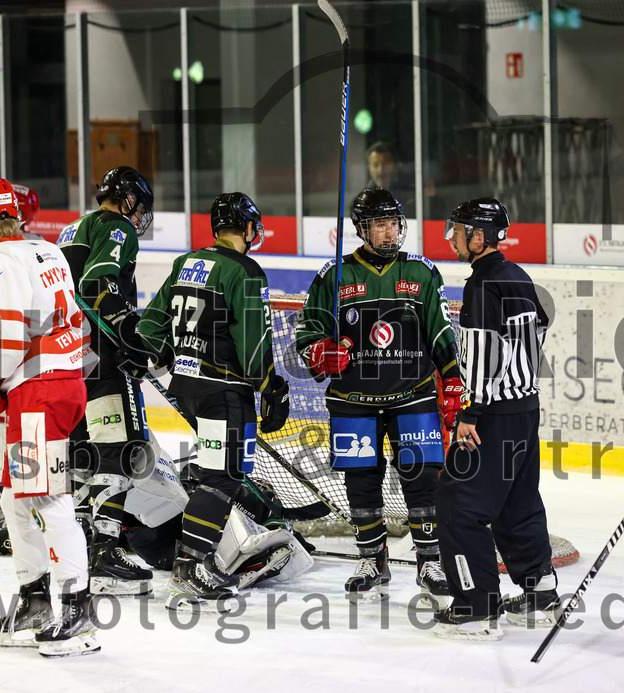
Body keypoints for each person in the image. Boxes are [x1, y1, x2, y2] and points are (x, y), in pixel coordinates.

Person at [294, 187, 458, 606]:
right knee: (361, 482)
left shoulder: (421, 272)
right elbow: (306, 332)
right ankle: (372, 558)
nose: (390, 232)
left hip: (414, 394)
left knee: (421, 479)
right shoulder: (334, 275)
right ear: (362, 229)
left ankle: (430, 560)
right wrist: (319, 352)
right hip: (353, 398)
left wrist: (452, 378)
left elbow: (441, 331)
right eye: (380, 224)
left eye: (394, 223)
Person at [0, 179, 99, 657]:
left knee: (44, 497)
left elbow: (9, 336)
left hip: (37, 391)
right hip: (60, 385)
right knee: (18, 497)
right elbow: (75, 323)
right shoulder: (49, 250)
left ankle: (79, 611)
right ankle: (36, 599)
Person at [138, 192, 291, 610]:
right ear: (245, 228)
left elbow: (155, 319)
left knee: (215, 473)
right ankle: (191, 569)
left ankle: (196, 563)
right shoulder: (244, 271)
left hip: (187, 388)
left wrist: (147, 350)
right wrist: (271, 388)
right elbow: (253, 342)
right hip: (224, 390)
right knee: (223, 478)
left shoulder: (186, 262)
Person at [432, 198, 557, 640]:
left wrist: (471, 412)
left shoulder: (482, 286)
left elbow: (484, 355)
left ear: (479, 237)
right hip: (525, 410)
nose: (452, 237)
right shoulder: (517, 276)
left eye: (459, 230)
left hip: (491, 417)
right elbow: (539, 327)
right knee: (516, 502)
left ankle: (477, 606)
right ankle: (540, 592)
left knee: (456, 506)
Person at [56, 165, 155, 596]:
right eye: (140, 206)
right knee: (124, 448)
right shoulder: (117, 228)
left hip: (68, 358)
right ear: (128, 199)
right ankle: (105, 551)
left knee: (83, 451)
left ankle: (77, 548)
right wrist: (129, 335)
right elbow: (99, 281)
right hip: (103, 354)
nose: (140, 216)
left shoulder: (70, 229)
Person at [365, 141, 436, 218]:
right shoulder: (365, 194)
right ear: (369, 168)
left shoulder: (414, 185)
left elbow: (437, 214)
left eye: (386, 164)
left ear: (397, 165)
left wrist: (431, 199)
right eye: (375, 165)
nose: (381, 170)